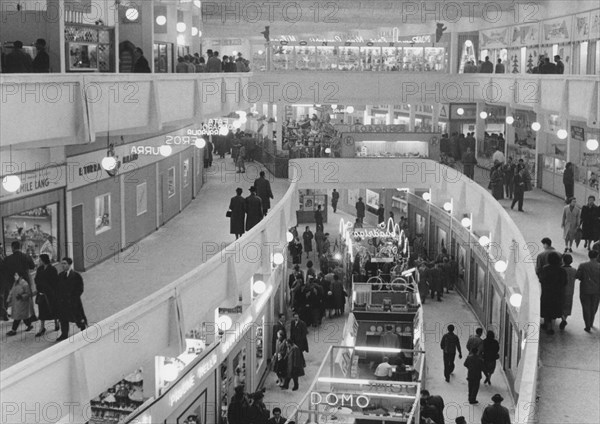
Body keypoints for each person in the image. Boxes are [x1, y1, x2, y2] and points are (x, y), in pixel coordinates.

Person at [55, 257, 87, 341]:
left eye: (65, 263)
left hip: (73, 302)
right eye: (62, 263)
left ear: (69, 265)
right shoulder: (60, 275)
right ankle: (64, 334)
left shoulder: (76, 276)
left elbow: (80, 289)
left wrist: (74, 298)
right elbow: (58, 288)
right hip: (63, 302)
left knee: (77, 316)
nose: (63, 265)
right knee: (63, 318)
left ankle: (83, 328)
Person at [540, 251, 567, 335]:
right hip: (558, 293)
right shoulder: (562, 270)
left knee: (547, 309)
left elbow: (541, 279)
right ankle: (557, 323)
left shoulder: (545, 268)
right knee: (555, 309)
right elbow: (565, 282)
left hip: (547, 292)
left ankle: (548, 326)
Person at [34, 254, 59, 337]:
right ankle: (42, 327)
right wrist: (39, 288)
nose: (39, 261)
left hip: (50, 294)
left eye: (40, 260)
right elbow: (36, 279)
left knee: (53, 309)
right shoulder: (39, 269)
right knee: (42, 311)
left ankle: (56, 323)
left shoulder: (52, 269)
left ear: (44, 260)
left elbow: (55, 282)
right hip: (41, 293)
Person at [575, 250, 600, 332]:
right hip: (597, 290)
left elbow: (578, 276)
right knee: (594, 307)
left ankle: (587, 325)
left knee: (586, 307)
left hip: (585, 289)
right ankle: (591, 322)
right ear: (597, 256)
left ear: (589, 256)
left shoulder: (582, 265)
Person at [559, 254, 577, 331]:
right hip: (570, 290)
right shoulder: (574, 270)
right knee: (567, 306)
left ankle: (563, 318)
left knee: (560, 305)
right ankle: (564, 319)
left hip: (561, 290)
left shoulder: (560, 269)